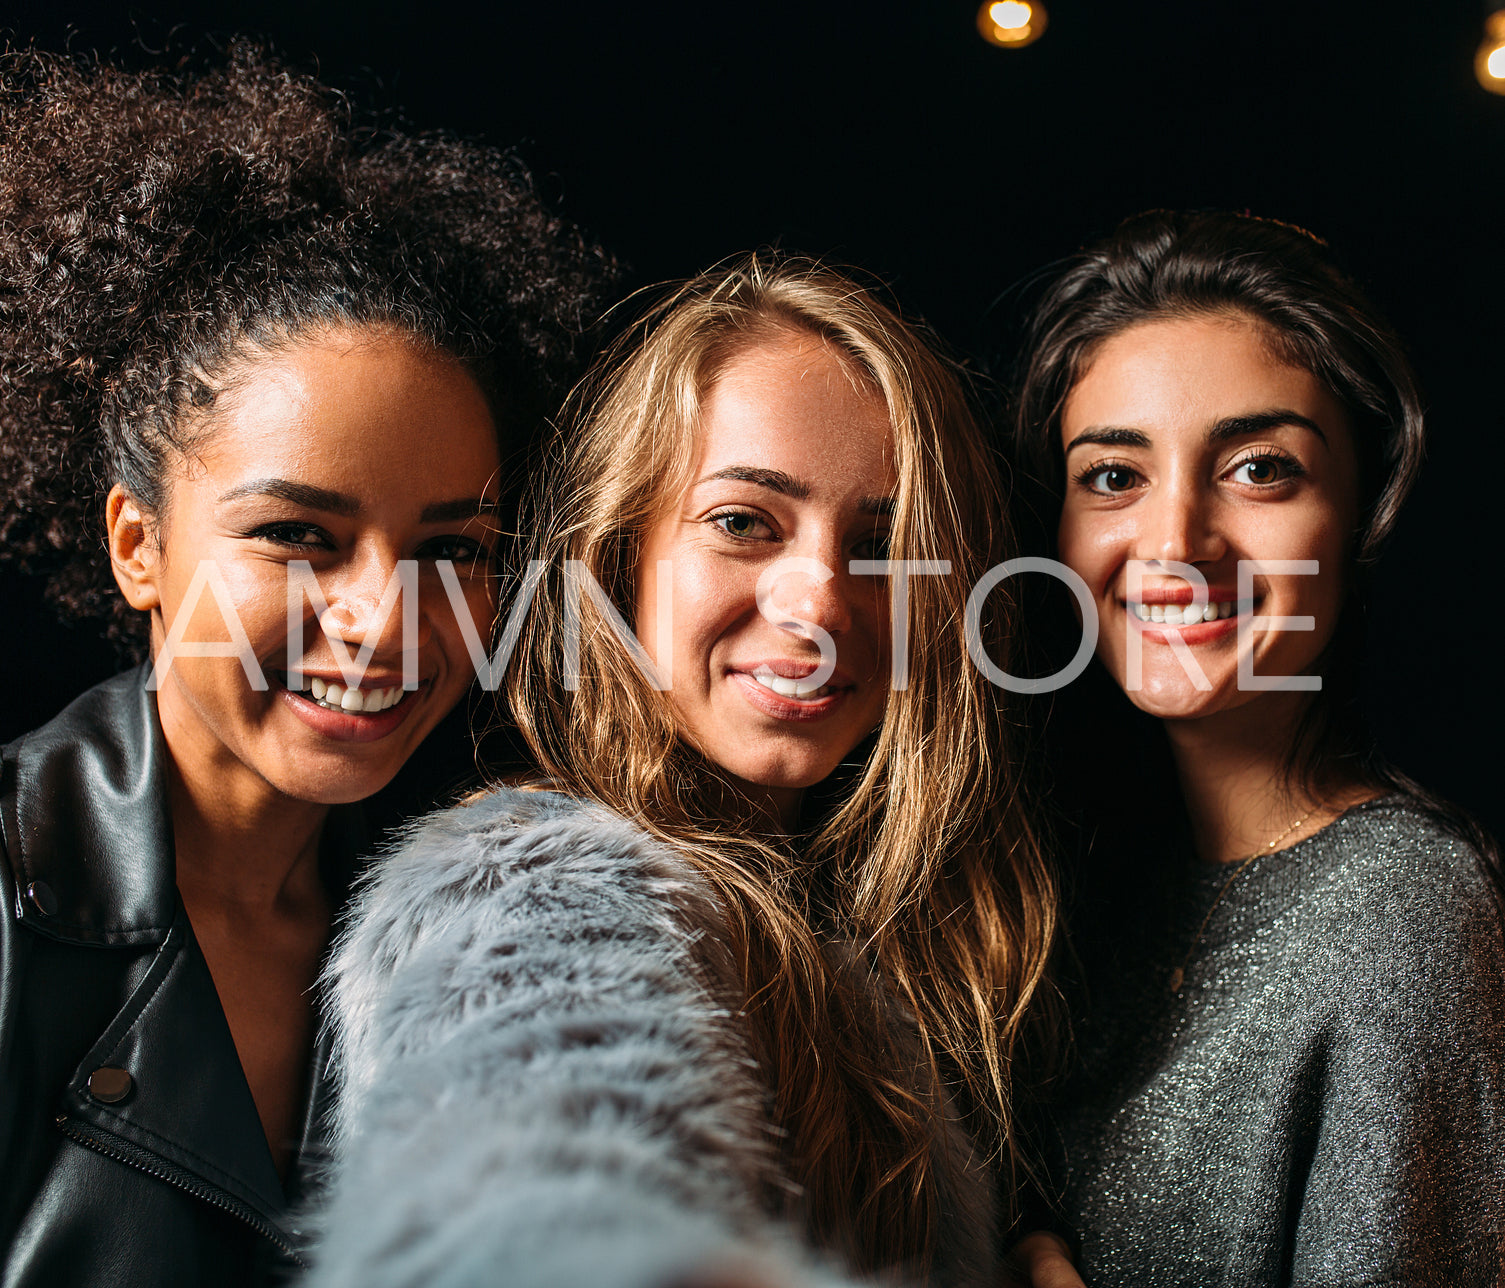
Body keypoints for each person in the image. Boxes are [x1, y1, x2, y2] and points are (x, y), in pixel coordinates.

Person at [311, 253, 1079, 1288]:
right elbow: (531, 1212)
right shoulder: (533, 889)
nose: (817, 601)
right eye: (741, 523)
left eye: (882, 540)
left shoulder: (879, 927)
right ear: (619, 556)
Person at [0, 44, 611, 1286]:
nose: (384, 620)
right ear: (139, 544)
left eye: (452, 548)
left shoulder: (475, 931)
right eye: (296, 535)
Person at [1010, 209, 1505, 1286]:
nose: (1177, 542)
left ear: (1361, 514)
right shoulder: (1102, 885)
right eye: (1110, 476)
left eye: (1258, 468)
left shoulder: (1403, 905)